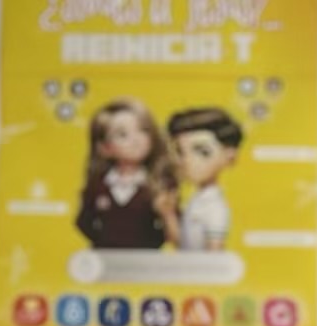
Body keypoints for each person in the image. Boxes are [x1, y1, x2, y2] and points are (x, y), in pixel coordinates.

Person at [76, 98, 179, 250]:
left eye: (143, 130)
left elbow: (173, 231)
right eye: (123, 135)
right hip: (106, 261)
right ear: (104, 147)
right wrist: (105, 241)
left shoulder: (158, 185)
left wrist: (153, 239)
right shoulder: (98, 186)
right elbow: (84, 222)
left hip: (146, 263)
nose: (136, 140)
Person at [168, 106, 242, 252]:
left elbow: (214, 255)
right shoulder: (196, 200)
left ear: (230, 156)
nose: (187, 161)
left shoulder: (215, 207)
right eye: (180, 152)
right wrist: (168, 213)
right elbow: (182, 245)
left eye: (202, 152)